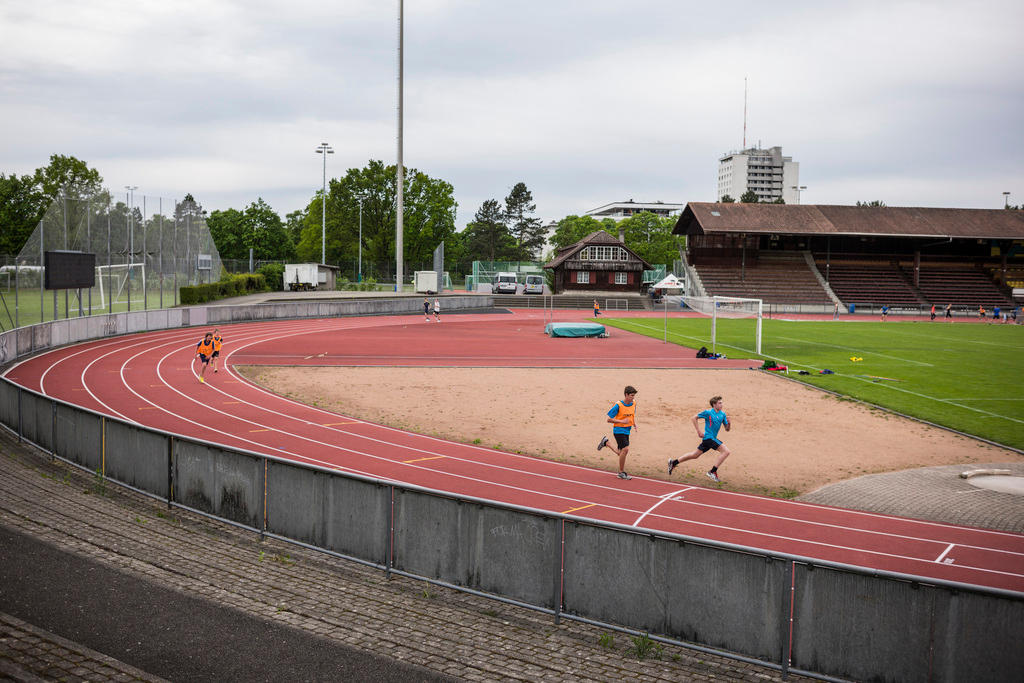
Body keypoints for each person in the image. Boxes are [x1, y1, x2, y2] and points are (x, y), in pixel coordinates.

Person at [668, 395, 731, 483]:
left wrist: (729, 423)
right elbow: (694, 418)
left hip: (711, 439)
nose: (722, 405)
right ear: (714, 404)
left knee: (695, 455)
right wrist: (698, 431)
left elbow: (727, 429)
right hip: (709, 438)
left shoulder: (723, 414)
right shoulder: (708, 412)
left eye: (722, 403)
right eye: (719, 403)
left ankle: (673, 463)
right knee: (726, 451)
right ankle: (712, 471)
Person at [597, 385, 638, 480]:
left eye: (634, 395)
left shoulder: (634, 403)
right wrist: (622, 421)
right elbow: (609, 419)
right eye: (631, 395)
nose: (633, 397)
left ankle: (606, 442)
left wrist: (634, 423)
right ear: (626, 395)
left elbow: (632, 415)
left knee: (621, 453)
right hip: (618, 430)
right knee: (626, 449)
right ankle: (621, 472)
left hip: (627, 430)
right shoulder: (618, 405)